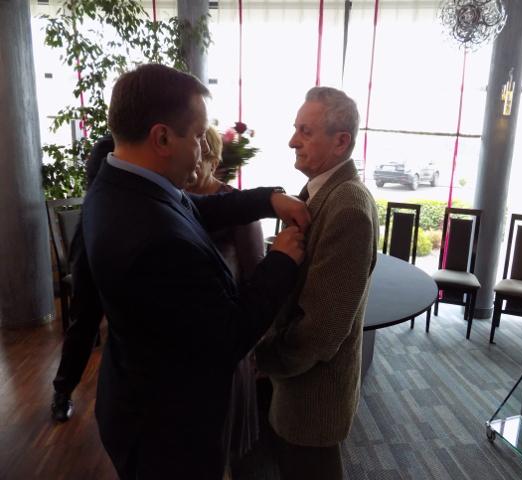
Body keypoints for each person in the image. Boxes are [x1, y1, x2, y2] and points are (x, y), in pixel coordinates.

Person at [82, 63, 309, 480]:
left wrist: (267, 200)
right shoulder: (155, 240)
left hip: (135, 394)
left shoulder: (119, 181)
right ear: (162, 138)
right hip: (166, 434)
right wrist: (281, 260)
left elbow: (195, 208)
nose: (205, 150)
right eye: (199, 137)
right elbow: (229, 337)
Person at [255, 86, 379, 480]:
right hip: (297, 388)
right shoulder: (319, 193)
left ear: (341, 141)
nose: (293, 141)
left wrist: (263, 360)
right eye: (296, 129)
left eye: (305, 132)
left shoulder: (348, 207)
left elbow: (322, 329)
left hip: (314, 397)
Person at [185, 125, 263, 476]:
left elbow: (255, 276)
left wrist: (255, 341)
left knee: (220, 434)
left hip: (226, 332)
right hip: (186, 336)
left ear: (214, 161)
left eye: (200, 156)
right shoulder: (173, 199)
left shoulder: (236, 205)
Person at [50, 134, 114, 422]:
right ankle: (62, 391)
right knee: (84, 323)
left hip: (120, 237)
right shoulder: (107, 147)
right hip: (92, 239)